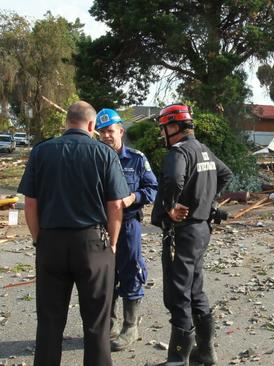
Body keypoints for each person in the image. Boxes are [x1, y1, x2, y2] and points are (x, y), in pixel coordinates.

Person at [18, 101, 130, 366]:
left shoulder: (41, 152)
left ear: (67, 122)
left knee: (49, 321)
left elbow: (30, 203)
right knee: (96, 323)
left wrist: (38, 239)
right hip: (92, 243)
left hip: (51, 241)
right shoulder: (104, 154)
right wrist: (112, 243)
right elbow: (115, 205)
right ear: (92, 125)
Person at [149, 103, 232, 366]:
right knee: (195, 288)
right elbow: (225, 174)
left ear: (174, 127)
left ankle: (177, 360)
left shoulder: (179, 152)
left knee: (179, 293)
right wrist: (207, 203)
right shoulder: (204, 151)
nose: (163, 134)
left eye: (165, 128)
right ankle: (205, 353)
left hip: (183, 232)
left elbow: (173, 181)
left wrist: (171, 207)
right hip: (201, 230)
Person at [96, 108, 158, 352]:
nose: (106, 136)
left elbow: (153, 188)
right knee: (104, 275)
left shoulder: (136, 158)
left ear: (121, 130)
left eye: (110, 131)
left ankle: (130, 327)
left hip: (129, 224)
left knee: (131, 270)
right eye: (101, 132)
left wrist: (134, 197)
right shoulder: (95, 158)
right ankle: (107, 326)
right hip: (100, 227)